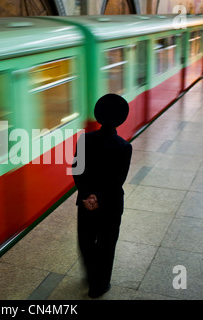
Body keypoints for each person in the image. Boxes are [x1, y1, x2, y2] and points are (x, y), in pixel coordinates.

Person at [72, 93, 132, 299]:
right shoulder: (124, 147)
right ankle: (99, 286)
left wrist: (87, 196)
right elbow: (117, 180)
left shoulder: (84, 140)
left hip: (85, 203)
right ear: (120, 119)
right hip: (110, 205)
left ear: (98, 116)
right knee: (106, 245)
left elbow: (76, 170)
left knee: (86, 242)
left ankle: (91, 276)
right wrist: (99, 198)